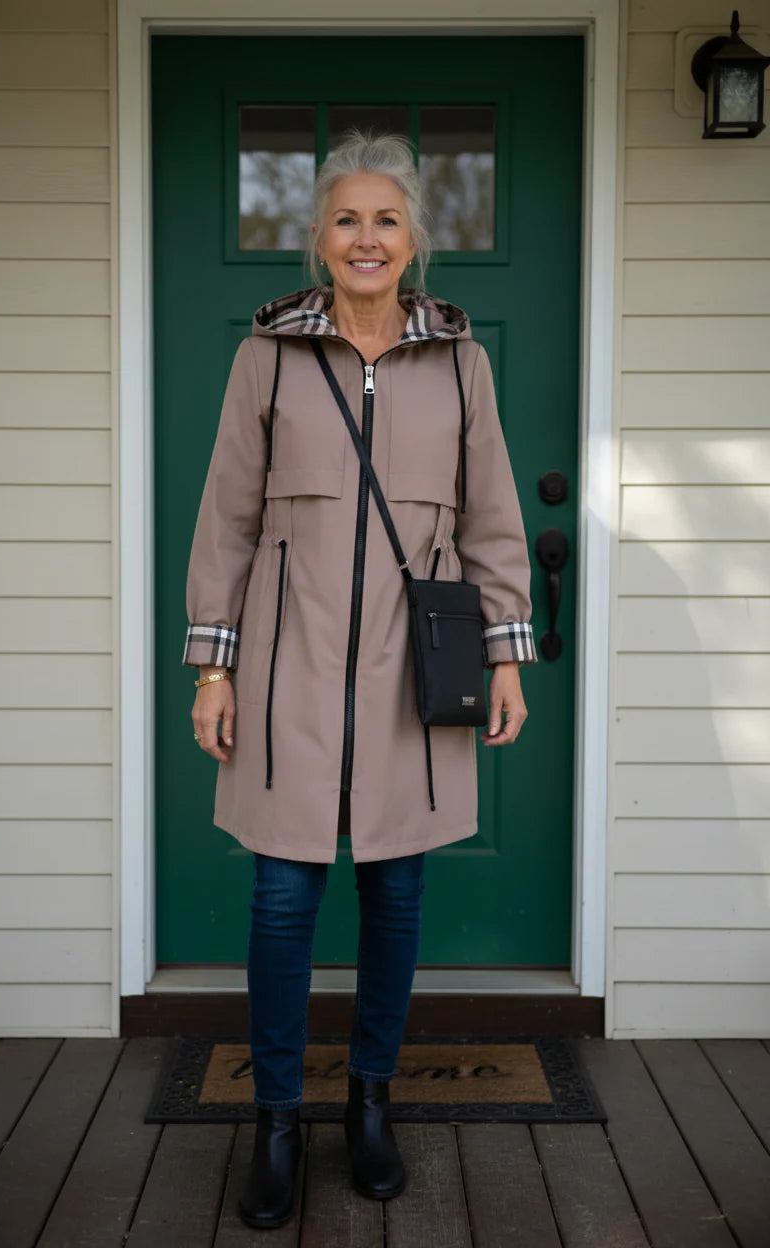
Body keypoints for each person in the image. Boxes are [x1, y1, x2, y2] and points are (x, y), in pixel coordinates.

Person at [183, 129, 537, 1229]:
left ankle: (369, 1104)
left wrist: (504, 655)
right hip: (285, 670)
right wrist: (212, 670)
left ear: (413, 239)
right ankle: (276, 1120)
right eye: (347, 218)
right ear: (319, 236)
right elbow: (226, 520)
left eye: (386, 219)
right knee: (282, 898)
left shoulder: (461, 361)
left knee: (396, 893)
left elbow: (493, 521)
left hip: (408, 677)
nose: (367, 237)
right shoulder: (268, 356)